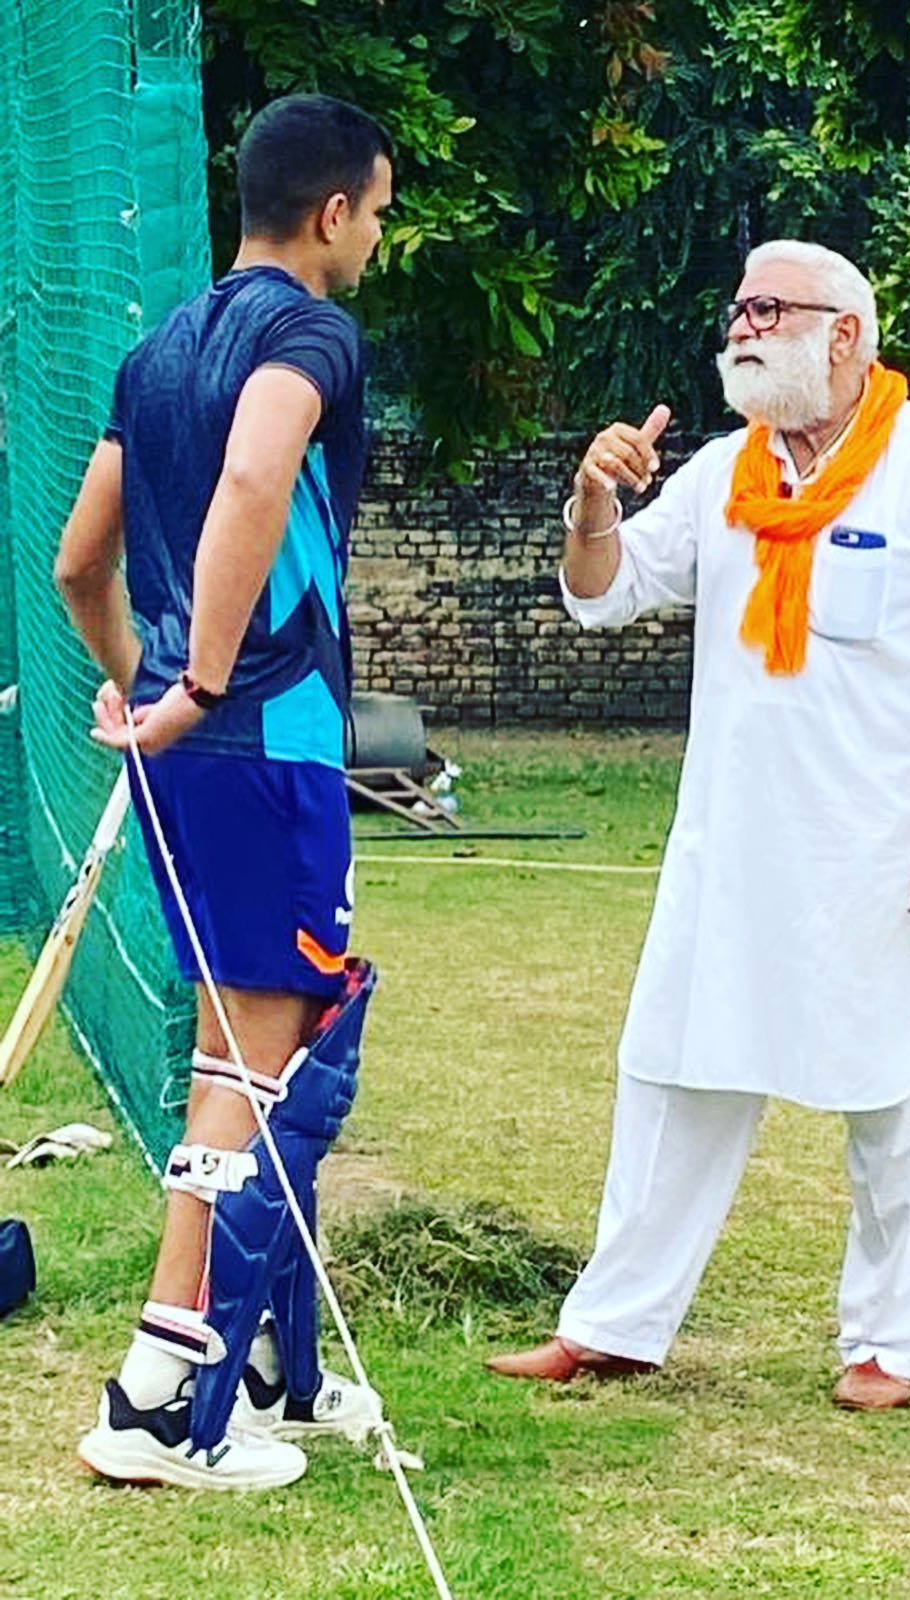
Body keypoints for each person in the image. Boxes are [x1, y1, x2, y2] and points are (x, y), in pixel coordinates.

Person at [489, 240, 910, 1409]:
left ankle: (889, 1344)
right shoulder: (727, 472)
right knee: (669, 1074)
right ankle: (613, 1324)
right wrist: (593, 504)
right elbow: (605, 594)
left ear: (843, 333)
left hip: (887, 857)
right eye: (736, 308)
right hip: (732, 853)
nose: (739, 328)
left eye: (767, 309)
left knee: (896, 1099)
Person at [56, 94, 393, 1488]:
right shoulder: (309, 332)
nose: (379, 236)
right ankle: (155, 1406)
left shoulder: (156, 350)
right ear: (330, 215)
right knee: (265, 1069)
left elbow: (83, 559)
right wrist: (196, 678)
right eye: (377, 211)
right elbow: (260, 467)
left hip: (200, 757)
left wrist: (136, 683)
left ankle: (273, 1370)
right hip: (265, 743)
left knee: (239, 1046)